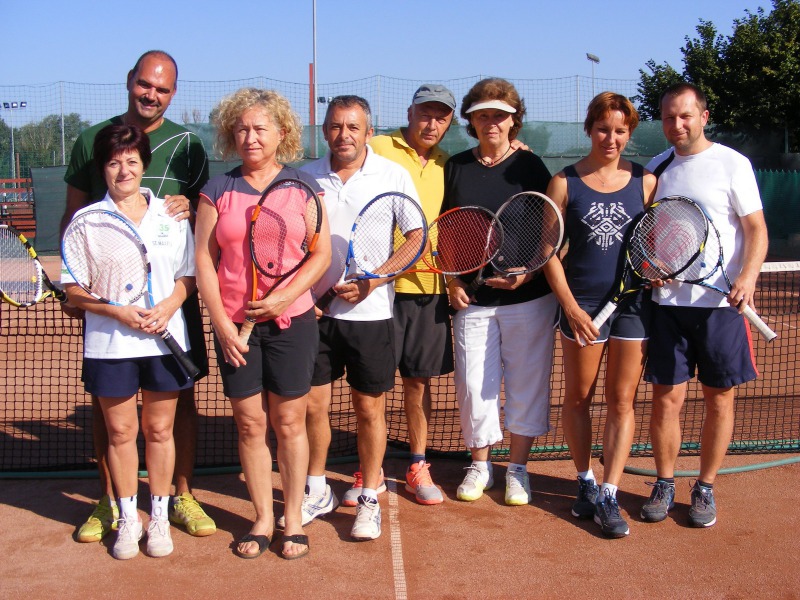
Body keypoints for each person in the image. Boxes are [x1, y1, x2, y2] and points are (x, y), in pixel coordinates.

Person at [61, 50, 215, 542]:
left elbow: (202, 208)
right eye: (145, 85)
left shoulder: (189, 144)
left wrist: (188, 205)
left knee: (176, 406)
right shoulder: (90, 139)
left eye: (163, 89)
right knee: (112, 412)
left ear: (174, 93)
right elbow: (73, 214)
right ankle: (114, 504)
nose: (152, 94)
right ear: (130, 81)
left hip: (172, 294)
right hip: (109, 300)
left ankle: (179, 497)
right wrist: (78, 290)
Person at [195, 88, 330, 560]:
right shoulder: (217, 191)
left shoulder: (304, 187)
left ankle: (292, 519)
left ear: (282, 134)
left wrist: (285, 297)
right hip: (235, 327)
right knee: (250, 424)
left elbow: (321, 254)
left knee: (289, 420)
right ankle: (262, 518)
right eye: (242, 129)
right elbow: (205, 263)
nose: (250, 137)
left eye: (260, 129)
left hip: (291, 323)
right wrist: (222, 324)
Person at [641, 82, 768, 528]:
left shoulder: (733, 164)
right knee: (665, 401)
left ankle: (706, 486)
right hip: (667, 305)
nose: (677, 124)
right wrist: (648, 264)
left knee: (719, 401)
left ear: (703, 117)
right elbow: (646, 234)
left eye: (685, 116)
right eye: (669, 117)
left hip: (720, 308)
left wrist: (748, 277)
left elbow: (756, 230)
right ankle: (664, 482)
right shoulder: (655, 168)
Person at [298, 95, 422, 540]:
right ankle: (316, 489)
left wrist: (375, 279)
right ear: (325, 130)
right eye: (335, 126)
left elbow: (415, 237)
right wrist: (301, 295)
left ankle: (369, 495)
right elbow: (293, 243)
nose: (343, 135)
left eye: (353, 127)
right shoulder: (306, 176)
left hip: (372, 315)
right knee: (313, 406)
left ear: (369, 132)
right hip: (315, 314)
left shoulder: (393, 175)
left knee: (369, 408)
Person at [542, 92, 656, 537]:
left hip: (632, 308)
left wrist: (656, 270)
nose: (611, 138)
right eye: (604, 128)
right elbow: (548, 252)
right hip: (583, 308)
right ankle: (585, 481)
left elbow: (653, 244)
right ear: (589, 128)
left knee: (622, 401)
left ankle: (610, 491)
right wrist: (570, 307)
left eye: (621, 130)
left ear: (629, 133)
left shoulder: (646, 182)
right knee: (578, 399)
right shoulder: (565, 182)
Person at [444, 78, 555, 506]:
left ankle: (519, 468)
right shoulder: (455, 166)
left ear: (514, 120)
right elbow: (446, 229)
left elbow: (552, 229)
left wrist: (528, 274)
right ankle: (480, 464)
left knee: (527, 381)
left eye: (501, 115)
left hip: (528, 298)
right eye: (483, 114)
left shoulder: (531, 167)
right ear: (472, 120)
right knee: (474, 385)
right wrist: (452, 280)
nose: (492, 122)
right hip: (472, 298)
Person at [366, 84, 456, 506]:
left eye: (441, 117)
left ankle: (418, 464)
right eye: (426, 113)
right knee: (375, 385)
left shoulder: (447, 165)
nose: (432, 123)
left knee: (418, 383)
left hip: (427, 289)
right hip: (379, 288)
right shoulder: (379, 144)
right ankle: (369, 468)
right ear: (410, 111)